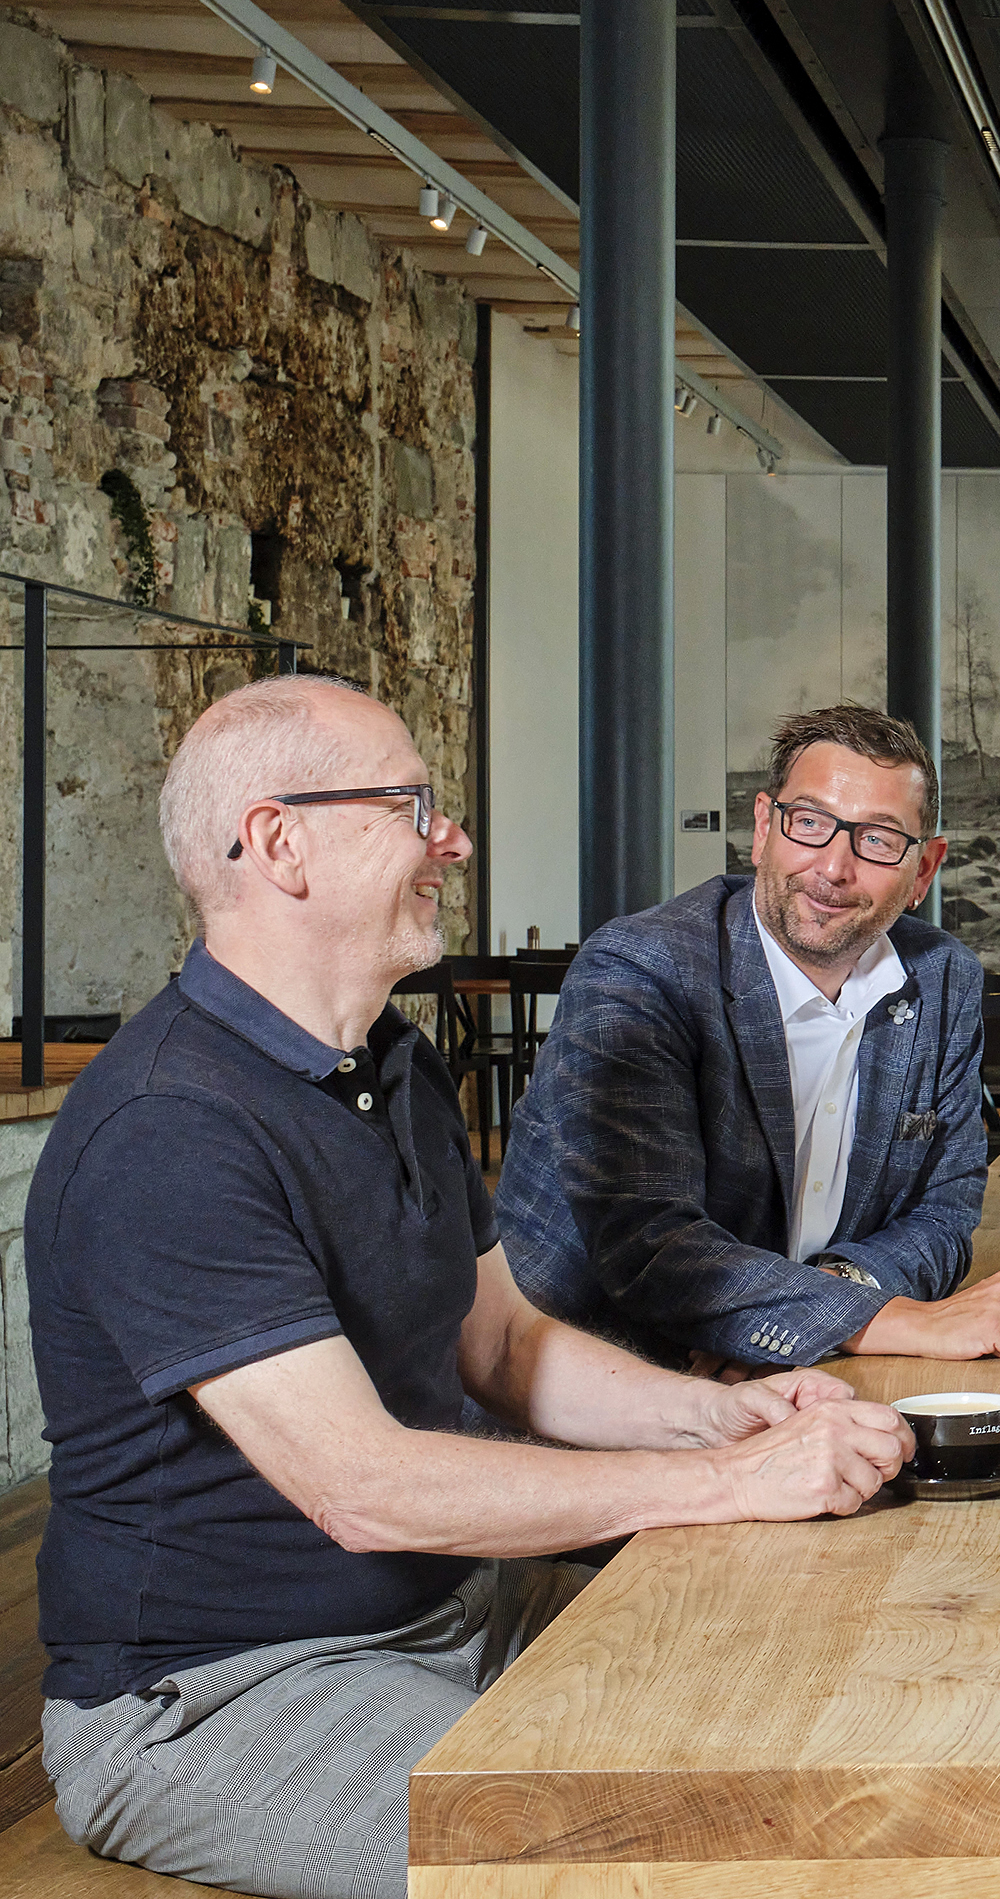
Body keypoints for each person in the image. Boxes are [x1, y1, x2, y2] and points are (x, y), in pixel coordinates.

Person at [29, 676, 910, 1899]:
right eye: (413, 806)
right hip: (225, 1692)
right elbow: (363, 1489)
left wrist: (735, 1415)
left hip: (454, 1612)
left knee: (837, 1683)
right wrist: (724, 1484)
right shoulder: (169, 1128)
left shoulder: (390, 1060)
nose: (455, 838)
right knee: (659, 1862)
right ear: (280, 842)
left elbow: (500, 1342)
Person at [498, 705, 1000, 1370]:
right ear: (761, 830)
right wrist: (886, 1320)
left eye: (879, 839)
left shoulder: (942, 978)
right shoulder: (640, 972)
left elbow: (943, 1217)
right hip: (577, 1391)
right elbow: (648, 1248)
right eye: (808, 823)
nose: (833, 867)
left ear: (924, 871)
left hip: (792, 1380)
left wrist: (822, 1309)